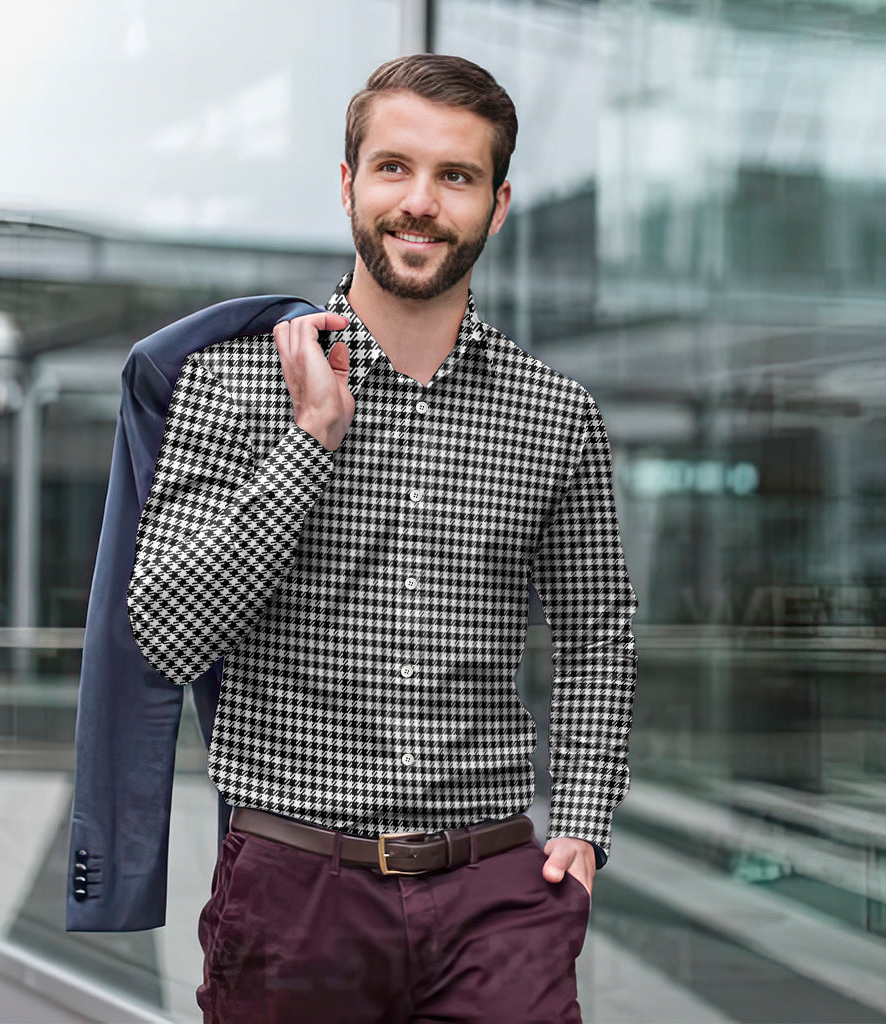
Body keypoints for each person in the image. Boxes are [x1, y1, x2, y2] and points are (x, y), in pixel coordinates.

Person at [127, 53, 637, 1024]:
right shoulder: (232, 387)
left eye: (457, 176)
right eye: (394, 167)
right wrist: (311, 439)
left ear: (498, 203)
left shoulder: (556, 414)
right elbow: (167, 634)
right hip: (295, 895)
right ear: (348, 182)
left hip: (496, 896)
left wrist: (580, 819)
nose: (421, 202)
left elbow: (596, 632)